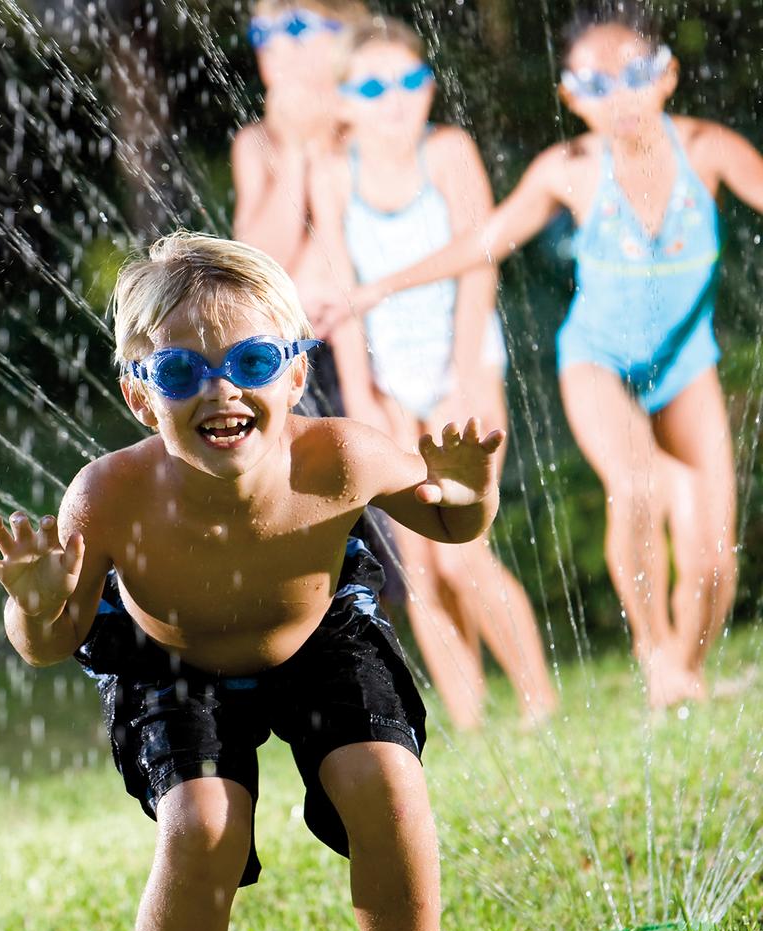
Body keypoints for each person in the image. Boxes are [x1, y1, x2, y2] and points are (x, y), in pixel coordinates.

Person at [0, 231, 506, 931]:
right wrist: (34, 601)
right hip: (170, 659)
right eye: (182, 371)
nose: (221, 391)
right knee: (201, 826)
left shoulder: (342, 458)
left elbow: (454, 527)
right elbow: (52, 644)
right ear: (139, 393)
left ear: (295, 373)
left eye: (252, 363)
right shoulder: (108, 496)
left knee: (389, 785)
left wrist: (472, 494)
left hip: (320, 634)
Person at [315, 10, 763, 709]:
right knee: (636, 486)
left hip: (686, 363)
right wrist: (374, 290)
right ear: (572, 96)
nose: (620, 96)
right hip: (597, 359)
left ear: (669, 74)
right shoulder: (570, 169)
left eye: (636, 74)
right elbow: (485, 240)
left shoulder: (707, 150)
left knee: (713, 560)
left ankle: (686, 665)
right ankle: (652, 652)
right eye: (597, 82)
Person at [307, 15, 557, 729]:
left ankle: (540, 704)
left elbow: (481, 259)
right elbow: (342, 288)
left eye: (412, 80)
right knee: (419, 564)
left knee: (465, 552)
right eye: (376, 85)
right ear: (345, 101)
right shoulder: (333, 172)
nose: (397, 98)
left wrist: (467, 375)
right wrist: (362, 400)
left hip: (462, 360)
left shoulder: (447, 151)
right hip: (387, 382)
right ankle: (472, 719)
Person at [231, 0, 371, 415]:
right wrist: (295, 150)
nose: (274, 44)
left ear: (345, 32)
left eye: (294, 27)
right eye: (261, 33)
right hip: (307, 342)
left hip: (378, 327)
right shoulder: (257, 143)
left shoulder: (374, 122)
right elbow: (261, 260)